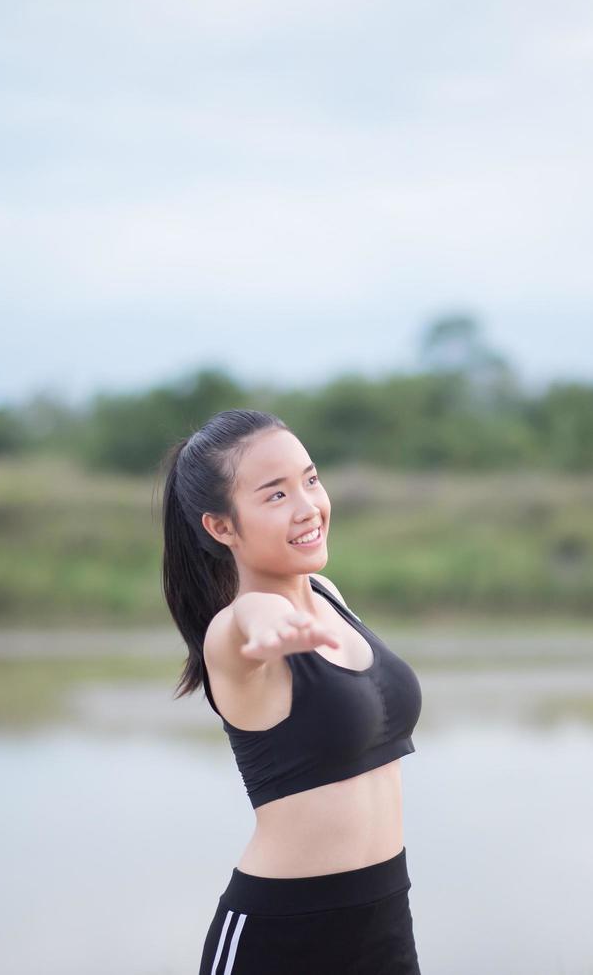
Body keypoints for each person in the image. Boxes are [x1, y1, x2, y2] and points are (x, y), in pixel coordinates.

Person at [159, 408, 424, 974]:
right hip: (280, 939)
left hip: (386, 927)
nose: (308, 507)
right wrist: (264, 624)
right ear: (221, 527)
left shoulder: (327, 595)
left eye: (310, 479)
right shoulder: (233, 635)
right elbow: (245, 620)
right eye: (275, 495)